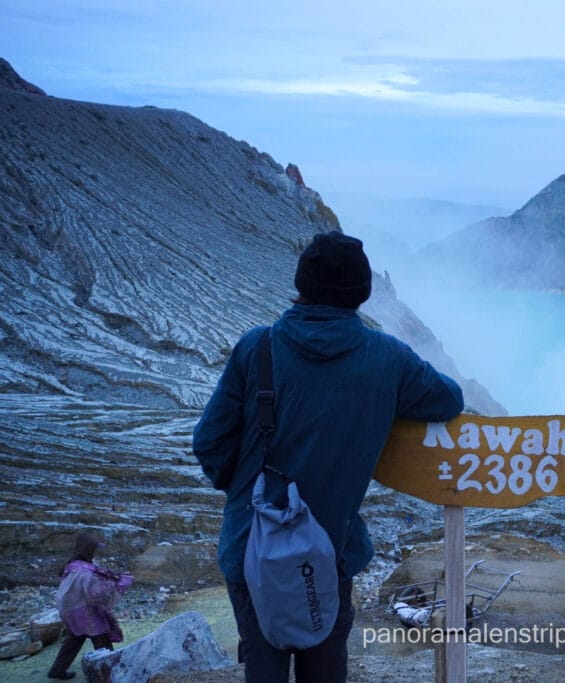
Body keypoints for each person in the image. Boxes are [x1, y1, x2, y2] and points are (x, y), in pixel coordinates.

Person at [193, 231, 464, 683]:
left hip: (251, 546)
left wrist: (247, 492)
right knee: (325, 663)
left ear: (301, 284)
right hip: (330, 551)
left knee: (263, 664)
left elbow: (210, 443)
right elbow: (448, 399)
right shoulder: (387, 357)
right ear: (361, 293)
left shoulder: (256, 348)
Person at [47, 533, 133, 680]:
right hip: (85, 613)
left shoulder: (72, 565)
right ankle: (108, 675)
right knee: (103, 642)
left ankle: (57, 670)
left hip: (71, 612)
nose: (95, 552)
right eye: (93, 549)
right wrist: (117, 583)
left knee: (74, 640)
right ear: (88, 550)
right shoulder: (84, 571)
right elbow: (96, 593)